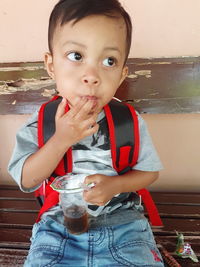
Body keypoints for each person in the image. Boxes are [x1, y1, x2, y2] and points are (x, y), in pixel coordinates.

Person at [8, 0, 164, 266]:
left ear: (122, 74)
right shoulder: (42, 123)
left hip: (124, 225)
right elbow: (26, 179)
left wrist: (116, 185)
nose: (91, 75)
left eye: (109, 61)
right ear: (51, 64)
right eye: (76, 56)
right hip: (58, 227)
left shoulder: (129, 121)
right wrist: (61, 139)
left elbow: (150, 172)